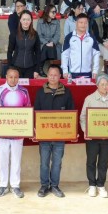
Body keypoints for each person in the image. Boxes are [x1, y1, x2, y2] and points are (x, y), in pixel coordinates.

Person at [33, 65, 75, 198]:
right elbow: (36, 112)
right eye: (50, 75)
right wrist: (35, 130)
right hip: (44, 136)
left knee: (57, 163)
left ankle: (55, 186)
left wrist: (71, 130)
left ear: (60, 76)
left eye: (55, 75)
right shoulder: (41, 92)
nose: (52, 77)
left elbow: (71, 113)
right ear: (47, 76)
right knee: (44, 163)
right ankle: (44, 186)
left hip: (60, 136)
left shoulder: (66, 92)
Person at [0, 67, 31, 198]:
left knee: (16, 159)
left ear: (19, 78)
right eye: (11, 77)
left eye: (16, 77)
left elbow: (28, 109)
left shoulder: (24, 91)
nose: (13, 80)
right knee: (3, 159)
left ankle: (15, 185)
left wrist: (28, 127)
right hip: (2, 131)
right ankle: (2, 185)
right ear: (6, 77)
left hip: (18, 132)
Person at [80, 74, 108, 198]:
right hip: (92, 138)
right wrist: (85, 131)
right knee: (91, 161)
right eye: (102, 84)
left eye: (107, 84)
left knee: (103, 162)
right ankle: (92, 185)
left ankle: (101, 185)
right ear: (97, 85)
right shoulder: (89, 99)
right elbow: (83, 117)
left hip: (107, 138)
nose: (104, 86)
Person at [61, 13, 100, 80]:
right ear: (76, 23)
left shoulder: (91, 37)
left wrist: (95, 70)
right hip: (72, 73)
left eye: (85, 23)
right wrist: (65, 70)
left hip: (87, 73)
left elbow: (96, 53)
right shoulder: (69, 37)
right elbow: (65, 54)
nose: (83, 25)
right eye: (81, 22)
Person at [7, 9, 40, 78]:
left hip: (31, 67)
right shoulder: (14, 34)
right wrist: (10, 68)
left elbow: (38, 52)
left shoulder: (35, 34)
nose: (26, 22)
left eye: (28, 19)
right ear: (20, 20)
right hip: (16, 67)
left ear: (31, 21)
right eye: (24, 19)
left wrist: (37, 70)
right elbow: (9, 52)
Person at [36, 4, 61, 75]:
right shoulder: (40, 21)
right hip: (43, 42)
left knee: (52, 47)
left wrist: (53, 42)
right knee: (46, 47)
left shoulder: (57, 22)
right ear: (47, 12)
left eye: (55, 12)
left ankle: (41, 67)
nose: (54, 14)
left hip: (54, 42)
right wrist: (46, 43)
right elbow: (39, 35)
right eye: (53, 12)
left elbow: (57, 35)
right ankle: (53, 68)